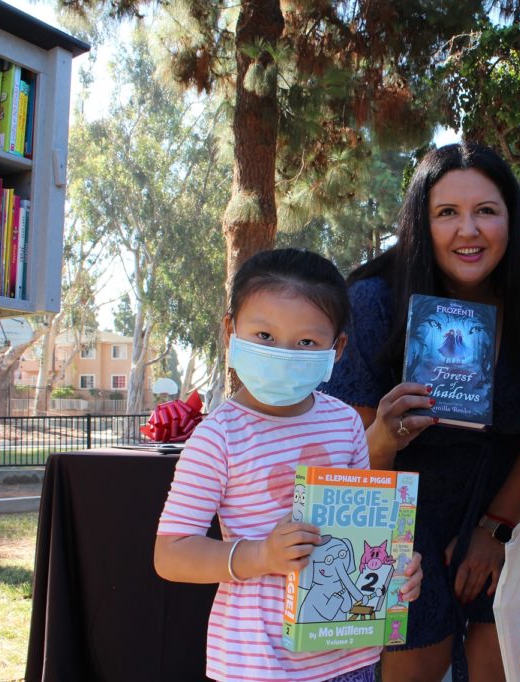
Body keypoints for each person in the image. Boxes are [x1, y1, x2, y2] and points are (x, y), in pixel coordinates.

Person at [322, 142, 520, 681]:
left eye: (486, 211)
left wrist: (495, 528)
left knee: (497, 646)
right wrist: (384, 433)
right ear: (420, 223)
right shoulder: (373, 298)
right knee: (417, 648)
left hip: (513, 502)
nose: (467, 231)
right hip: (399, 501)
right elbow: (350, 462)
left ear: (512, 219)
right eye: (447, 213)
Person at [154, 248, 423, 682]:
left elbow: (361, 533)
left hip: (351, 658)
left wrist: (396, 568)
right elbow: (171, 554)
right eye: (263, 335)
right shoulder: (218, 437)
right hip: (257, 664)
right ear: (230, 331)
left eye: (305, 343)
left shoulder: (346, 424)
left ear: (337, 350)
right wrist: (261, 554)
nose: (283, 352)